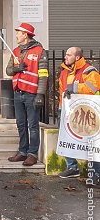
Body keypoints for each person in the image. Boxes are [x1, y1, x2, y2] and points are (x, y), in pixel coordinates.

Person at [6, 23, 48, 167]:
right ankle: (22, 152)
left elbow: (43, 75)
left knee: (33, 125)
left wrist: (40, 94)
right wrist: (17, 68)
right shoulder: (16, 51)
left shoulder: (40, 51)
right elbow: (8, 70)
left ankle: (32, 154)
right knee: (21, 124)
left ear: (25, 34)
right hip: (18, 93)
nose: (16, 35)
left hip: (32, 94)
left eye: (18, 32)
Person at [56, 46, 100, 183]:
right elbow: (62, 92)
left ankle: (95, 173)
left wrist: (74, 88)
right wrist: (61, 109)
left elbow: (93, 87)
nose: (65, 57)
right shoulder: (64, 72)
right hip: (66, 111)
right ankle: (72, 167)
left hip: (86, 113)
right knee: (67, 139)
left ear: (77, 57)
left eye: (68, 55)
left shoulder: (89, 71)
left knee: (91, 142)